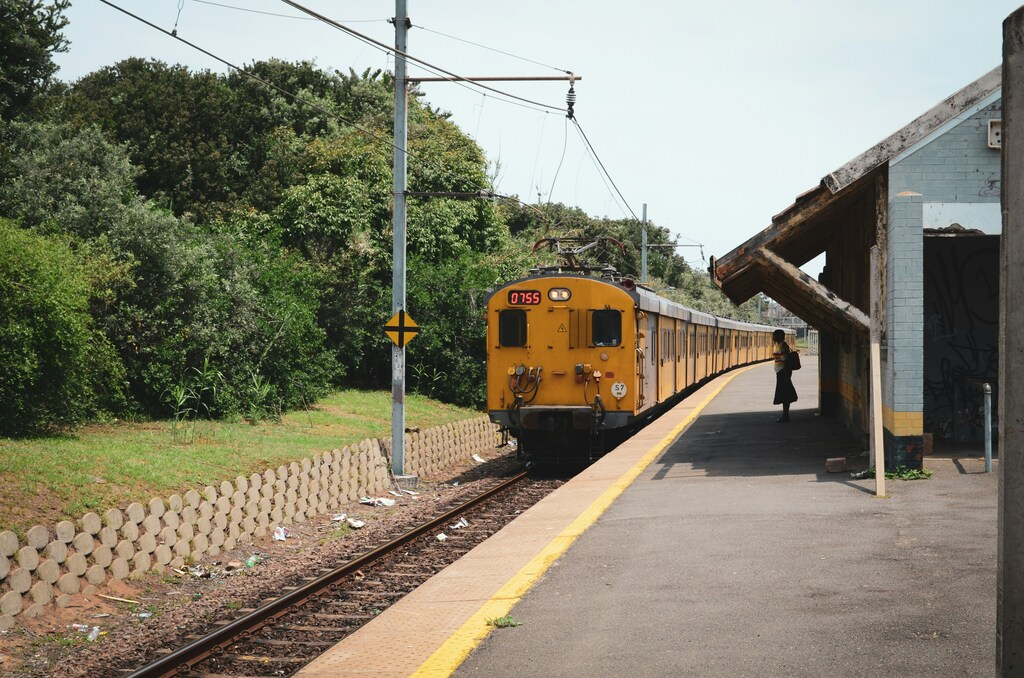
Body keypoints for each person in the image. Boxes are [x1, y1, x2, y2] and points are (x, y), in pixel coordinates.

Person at [772, 329, 797, 422]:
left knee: (785, 394)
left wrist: (787, 375)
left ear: (779, 336)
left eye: (774, 335)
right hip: (780, 372)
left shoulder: (782, 345)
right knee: (784, 393)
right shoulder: (778, 345)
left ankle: (785, 415)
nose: (773, 337)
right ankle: (785, 415)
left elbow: (785, 361)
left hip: (783, 372)